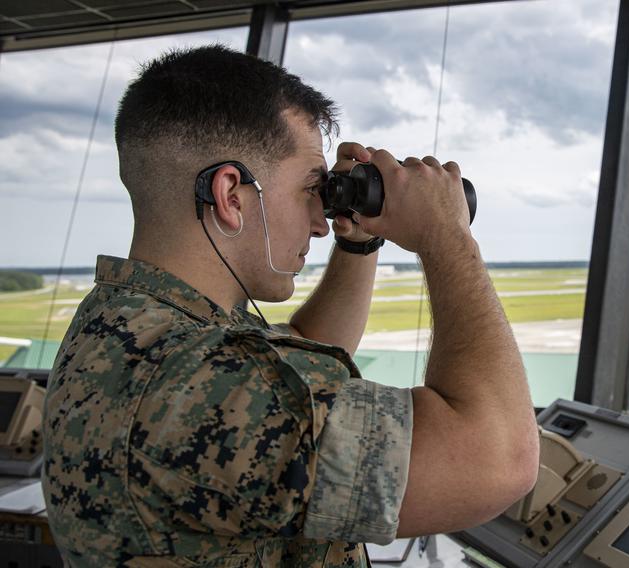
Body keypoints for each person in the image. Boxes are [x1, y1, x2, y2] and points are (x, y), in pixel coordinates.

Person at [42, 45, 538, 566]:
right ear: (231, 196)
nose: (321, 221)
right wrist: (445, 234)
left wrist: (359, 240)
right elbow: (499, 459)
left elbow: (299, 362)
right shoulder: (198, 379)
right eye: (310, 189)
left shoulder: (128, 323)